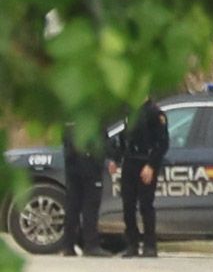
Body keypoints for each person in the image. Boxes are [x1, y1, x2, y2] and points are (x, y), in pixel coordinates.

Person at [116, 97, 169, 257]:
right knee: (128, 205)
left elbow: (163, 143)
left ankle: (150, 246)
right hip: (130, 162)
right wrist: (117, 158)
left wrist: (151, 165)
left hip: (146, 162)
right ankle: (132, 244)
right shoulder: (129, 111)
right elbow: (124, 138)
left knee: (146, 205)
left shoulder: (154, 112)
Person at [59, 122, 105, 256]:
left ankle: (68, 245)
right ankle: (91, 246)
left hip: (72, 168)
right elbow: (100, 144)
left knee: (72, 207)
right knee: (90, 207)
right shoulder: (91, 120)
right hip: (89, 168)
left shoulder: (69, 118)